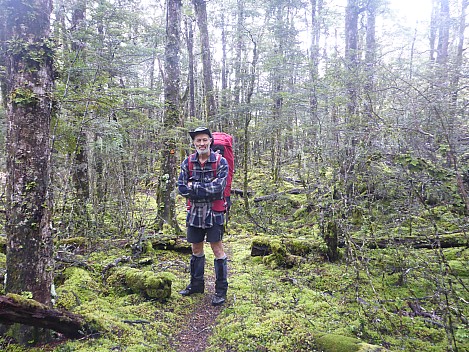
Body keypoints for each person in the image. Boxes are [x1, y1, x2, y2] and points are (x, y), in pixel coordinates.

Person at [177, 127, 229, 306]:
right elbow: (182, 188)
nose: (201, 143)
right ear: (194, 143)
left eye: (204, 140)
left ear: (210, 141)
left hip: (215, 212)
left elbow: (219, 188)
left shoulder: (221, 162)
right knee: (196, 249)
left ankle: (221, 291)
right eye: (198, 140)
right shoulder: (188, 162)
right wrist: (204, 187)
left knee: (217, 250)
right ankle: (196, 285)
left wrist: (195, 187)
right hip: (194, 212)